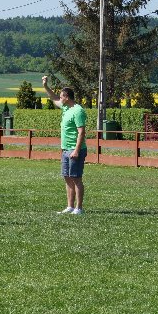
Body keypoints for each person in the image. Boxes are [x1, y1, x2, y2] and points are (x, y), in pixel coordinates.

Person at [42, 75, 88, 215]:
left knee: (76, 178)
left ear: (67, 97)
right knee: (67, 178)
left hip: (75, 150)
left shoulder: (78, 111)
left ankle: (79, 208)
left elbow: (81, 132)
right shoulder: (66, 108)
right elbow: (53, 97)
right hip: (65, 149)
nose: (59, 98)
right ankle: (70, 206)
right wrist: (45, 86)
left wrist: (76, 150)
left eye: (61, 96)